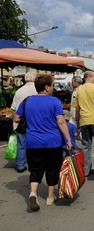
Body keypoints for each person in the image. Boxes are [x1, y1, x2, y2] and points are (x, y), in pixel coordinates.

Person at [13, 74, 72, 211]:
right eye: (52, 85)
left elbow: (16, 118)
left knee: (35, 169)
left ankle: (33, 193)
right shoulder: (54, 101)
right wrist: (68, 139)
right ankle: (50, 197)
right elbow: (61, 122)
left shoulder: (27, 101)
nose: (52, 87)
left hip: (33, 141)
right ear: (46, 87)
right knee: (52, 169)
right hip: (53, 141)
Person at [11, 71, 38, 173]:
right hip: (35, 121)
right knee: (34, 144)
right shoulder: (37, 90)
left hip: (21, 121)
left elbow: (13, 108)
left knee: (21, 144)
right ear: (34, 79)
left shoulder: (19, 91)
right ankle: (34, 164)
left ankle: (20, 165)